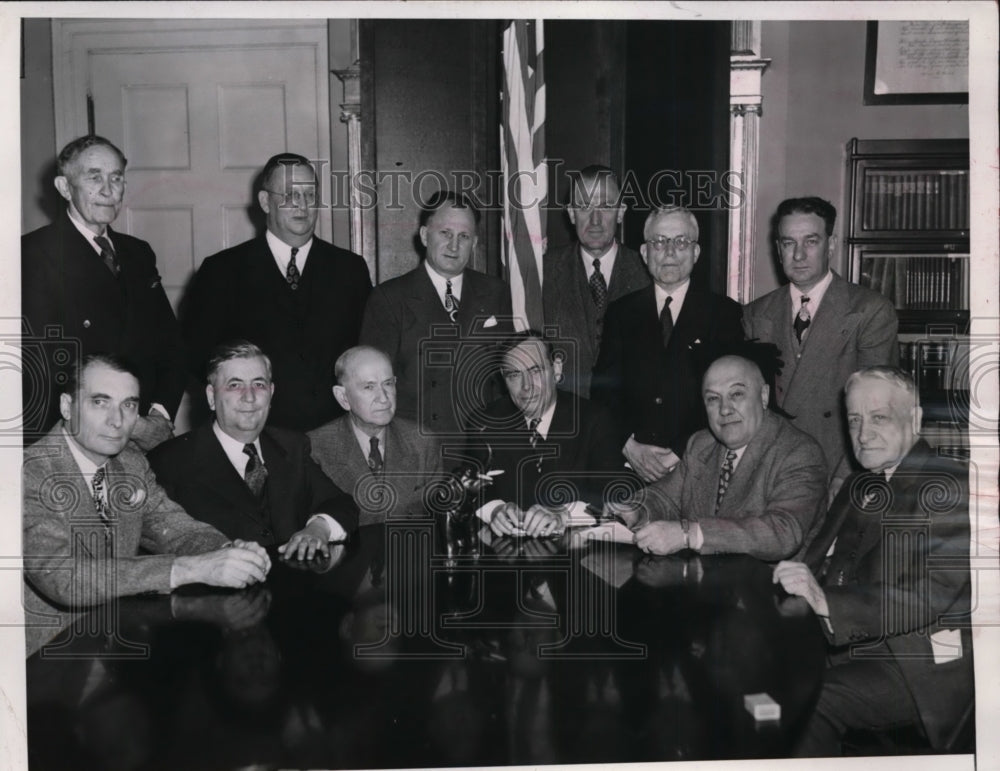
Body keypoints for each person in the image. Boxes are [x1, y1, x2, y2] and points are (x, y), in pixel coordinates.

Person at [773, 367, 972, 756]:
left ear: (914, 419)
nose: (863, 434)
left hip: (914, 660)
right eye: (854, 420)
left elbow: (927, 596)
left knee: (811, 702)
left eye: (879, 417)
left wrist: (826, 602)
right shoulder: (858, 482)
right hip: (846, 642)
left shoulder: (950, 485)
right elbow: (816, 561)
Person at [22, 354, 271, 656]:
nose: (117, 421)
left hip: (118, 649)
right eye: (100, 402)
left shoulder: (130, 462)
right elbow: (65, 578)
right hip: (48, 663)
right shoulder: (28, 471)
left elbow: (174, 528)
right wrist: (186, 568)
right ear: (66, 406)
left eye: (128, 405)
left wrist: (228, 551)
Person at [181, 152, 372, 432]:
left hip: (334, 435)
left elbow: (365, 351)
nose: (303, 206)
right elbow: (197, 356)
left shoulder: (350, 269)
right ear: (264, 202)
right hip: (252, 435)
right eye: (290, 195)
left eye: (310, 195)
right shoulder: (221, 270)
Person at [22, 135, 185, 450]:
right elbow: (39, 370)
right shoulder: (32, 255)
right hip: (75, 440)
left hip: (145, 438)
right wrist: (129, 422)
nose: (108, 191)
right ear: (65, 188)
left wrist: (159, 415)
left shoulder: (138, 253)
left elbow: (171, 345)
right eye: (94, 178)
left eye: (116, 178)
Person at [148, 341, 358, 557]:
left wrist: (318, 528)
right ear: (211, 397)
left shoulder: (292, 446)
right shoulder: (168, 462)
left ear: (271, 392)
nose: (249, 397)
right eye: (234, 385)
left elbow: (340, 504)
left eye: (259, 384)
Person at [610, 355, 827, 562]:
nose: (724, 409)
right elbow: (666, 498)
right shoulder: (702, 443)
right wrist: (636, 510)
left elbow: (783, 532)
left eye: (736, 394)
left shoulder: (799, 452)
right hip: (704, 583)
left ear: (763, 396)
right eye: (713, 399)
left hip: (769, 590)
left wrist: (690, 534)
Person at [743, 196, 899, 484]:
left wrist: (843, 485)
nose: (798, 255)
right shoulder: (754, 314)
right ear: (778, 249)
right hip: (770, 475)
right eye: (789, 243)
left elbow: (877, 413)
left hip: (837, 472)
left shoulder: (869, 311)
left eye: (811, 241)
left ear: (830, 243)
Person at [591, 205, 744, 483]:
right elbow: (603, 392)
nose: (670, 252)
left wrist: (679, 451)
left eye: (681, 242)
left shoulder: (724, 314)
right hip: (629, 467)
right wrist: (629, 447)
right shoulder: (621, 312)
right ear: (645, 253)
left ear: (696, 253)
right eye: (659, 242)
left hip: (698, 466)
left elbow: (730, 396)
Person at [359, 190, 513, 435]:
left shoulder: (495, 292)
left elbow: (505, 376)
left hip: (481, 442)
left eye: (464, 236)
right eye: (445, 233)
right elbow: (375, 387)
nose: (454, 245)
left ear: (474, 243)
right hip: (417, 445)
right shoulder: (389, 298)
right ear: (424, 235)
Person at [465, 331, 623, 538]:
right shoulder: (485, 422)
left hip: (578, 554)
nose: (526, 386)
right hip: (508, 556)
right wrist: (495, 510)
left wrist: (562, 514)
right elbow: (472, 487)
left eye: (535, 370)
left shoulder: (594, 419)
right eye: (514, 375)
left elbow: (610, 496)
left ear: (556, 369)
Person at [542, 165, 649, 397]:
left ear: (621, 212)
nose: (595, 219)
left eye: (606, 206)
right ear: (571, 214)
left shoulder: (648, 272)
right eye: (584, 207)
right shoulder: (543, 272)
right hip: (565, 419)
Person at [307, 346, 443, 525]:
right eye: (369, 387)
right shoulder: (313, 449)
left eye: (388, 383)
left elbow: (436, 517)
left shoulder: (422, 442)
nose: (384, 398)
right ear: (343, 397)